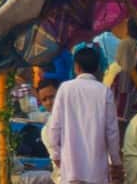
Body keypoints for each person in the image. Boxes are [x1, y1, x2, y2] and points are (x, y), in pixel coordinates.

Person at [43, 47, 121, 184]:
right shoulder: (104, 92)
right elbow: (112, 132)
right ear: (97, 67)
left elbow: (54, 127)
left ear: (76, 67)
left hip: (71, 169)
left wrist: (56, 154)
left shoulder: (65, 89)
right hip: (96, 171)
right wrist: (115, 161)